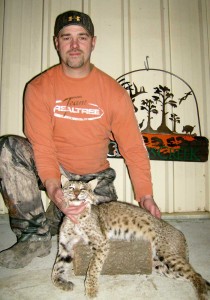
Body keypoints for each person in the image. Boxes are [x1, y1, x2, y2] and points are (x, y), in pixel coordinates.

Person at [0, 10, 161, 269]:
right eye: (67, 37)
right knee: (9, 147)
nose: (74, 46)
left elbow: (133, 148)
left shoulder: (114, 93)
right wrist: (55, 189)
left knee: (102, 243)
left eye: (82, 37)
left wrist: (145, 196)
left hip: (94, 179)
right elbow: (42, 147)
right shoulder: (38, 88)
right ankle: (33, 237)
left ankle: (56, 216)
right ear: (57, 42)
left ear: (93, 42)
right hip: (55, 172)